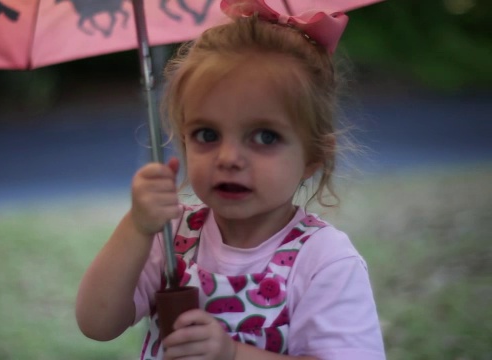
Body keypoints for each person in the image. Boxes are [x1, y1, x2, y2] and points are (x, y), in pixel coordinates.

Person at [76, 0, 386, 359]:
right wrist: (136, 226)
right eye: (207, 134)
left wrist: (233, 354)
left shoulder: (323, 259)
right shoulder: (171, 236)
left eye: (265, 137)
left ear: (312, 158)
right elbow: (97, 323)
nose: (228, 158)